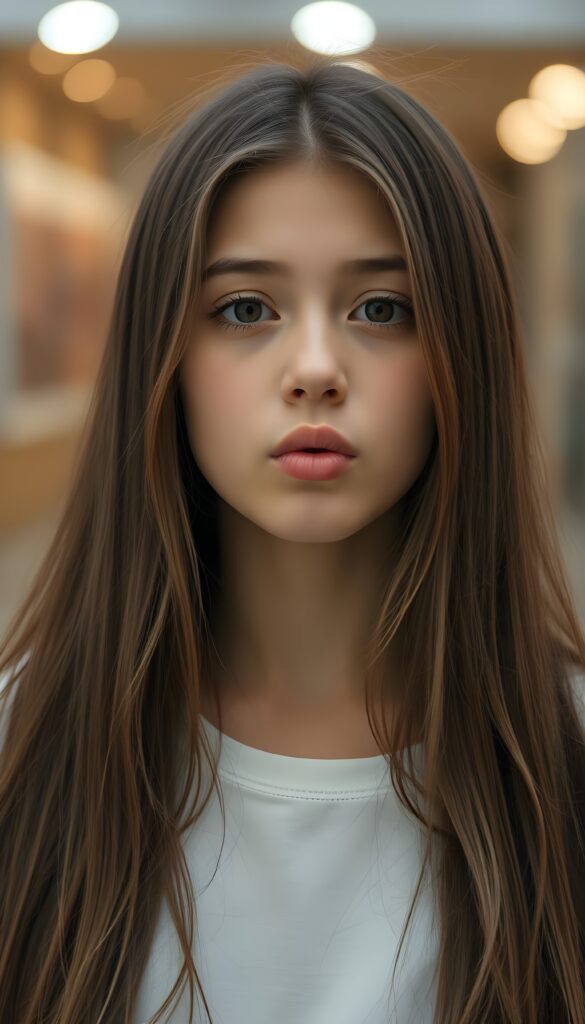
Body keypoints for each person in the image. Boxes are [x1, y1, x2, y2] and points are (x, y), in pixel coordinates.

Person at [0, 57, 584, 1024]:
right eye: (244, 309)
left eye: (380, 310)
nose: (314, 369)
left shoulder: (560, 760)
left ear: (462, 355)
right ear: (165, 356)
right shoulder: (26, 755)